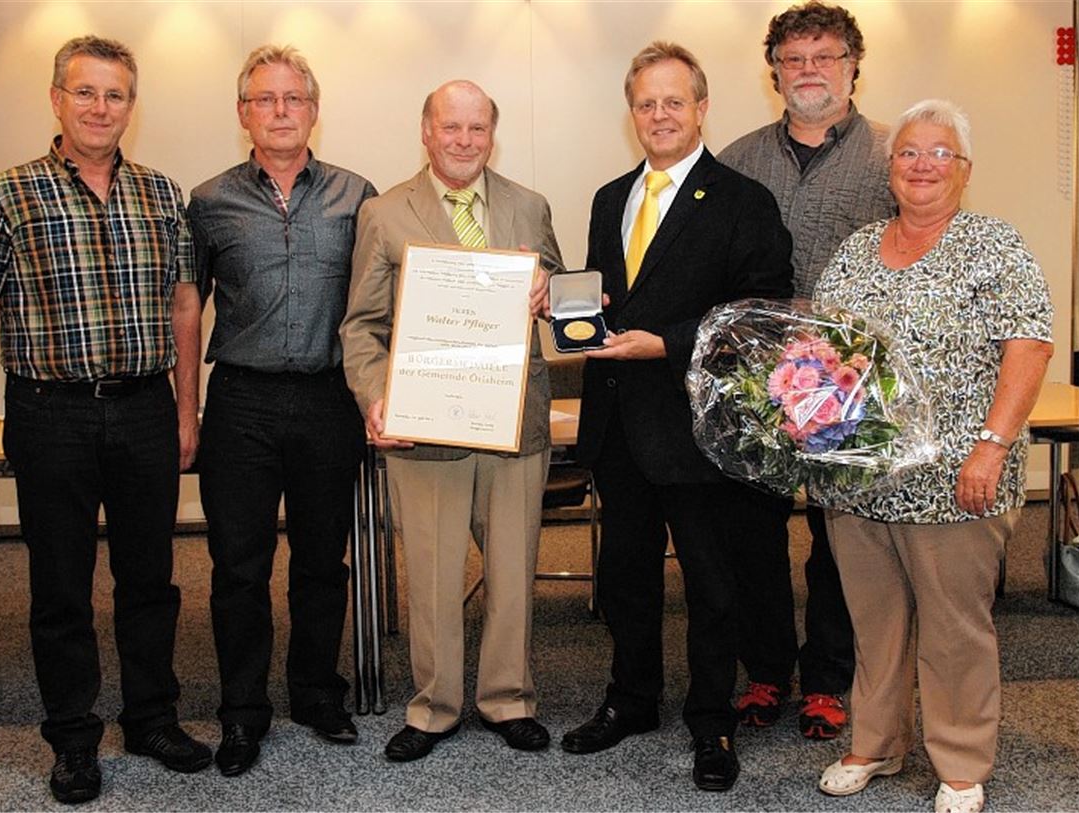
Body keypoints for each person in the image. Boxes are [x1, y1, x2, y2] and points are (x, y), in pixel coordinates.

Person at [0, 35, 209, 804]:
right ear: (57, 99)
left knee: (150, 579)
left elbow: (185, 307)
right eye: (85, 92)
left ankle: (152, 717)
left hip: (144, 410)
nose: (101, 107)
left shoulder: (161, 194)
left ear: (132, 105)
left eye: (115, 94)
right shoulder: (4, 194)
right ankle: (72, 739)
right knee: (60, 587)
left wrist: (186, 410)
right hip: (49, 413)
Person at [559, 42, 793, 793]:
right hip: (619, 428)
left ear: (701, 108)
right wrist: (572, 312)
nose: (659, 115)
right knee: (624, 578)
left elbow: (761, 312)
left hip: (697, 431)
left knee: (711, 587)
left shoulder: (743, 200)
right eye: (646, 103)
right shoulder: (609, 198)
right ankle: (631, 699)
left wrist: (666, 342)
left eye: (673, 101)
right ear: (631, 113)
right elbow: (607, 298)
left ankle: (711, 720)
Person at [813, 99, 1053, 813]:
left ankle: (961, 760)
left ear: (965, 169)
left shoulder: (994, 245)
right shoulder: (857, 248)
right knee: (874, 621)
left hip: (956, 479)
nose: (923, 165)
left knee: (954, 628)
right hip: (860, 480)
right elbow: (822, 353)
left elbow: (1029, 347)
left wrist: (992, 445)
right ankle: (876, 741)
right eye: (909, 153)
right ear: (890, 169)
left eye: (940, 152)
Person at [340, 79, 563, 762]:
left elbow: (560, 298)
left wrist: (551, 290)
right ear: (426, 131)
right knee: (433, 577)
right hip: (424, 428)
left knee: (513, 571)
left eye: (477, 128)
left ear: (492, 135)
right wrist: (374, 397)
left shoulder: (530, 205)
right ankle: (434, 707)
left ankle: (508, 698)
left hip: (513, 425)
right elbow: (361, 326)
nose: (464, 141)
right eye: (451, 127)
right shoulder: (384, 213)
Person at [187, 45, 375, 778]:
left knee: (322, 561)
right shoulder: (209, 201)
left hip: (329, 400)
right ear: (243, 113)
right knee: (239, 566)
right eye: (264, 99)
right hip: (242, 401)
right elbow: (186, 310)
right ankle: (241, 711)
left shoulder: (359, 196)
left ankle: (317, 693)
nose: (280, 111)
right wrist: (185, 411)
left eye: (293, 98)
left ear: (314, 109)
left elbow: (384, 303)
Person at [718, 0, 897, 739]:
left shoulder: (892, 155)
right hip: (757, 383)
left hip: (851, 383)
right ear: (775, 74)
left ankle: (828, 679)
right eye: (793, 59)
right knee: (753, 536)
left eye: (825, 57)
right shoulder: (736, 160)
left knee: (839, 540)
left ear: (853, 67)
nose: (809, 70)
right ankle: (765, 670)